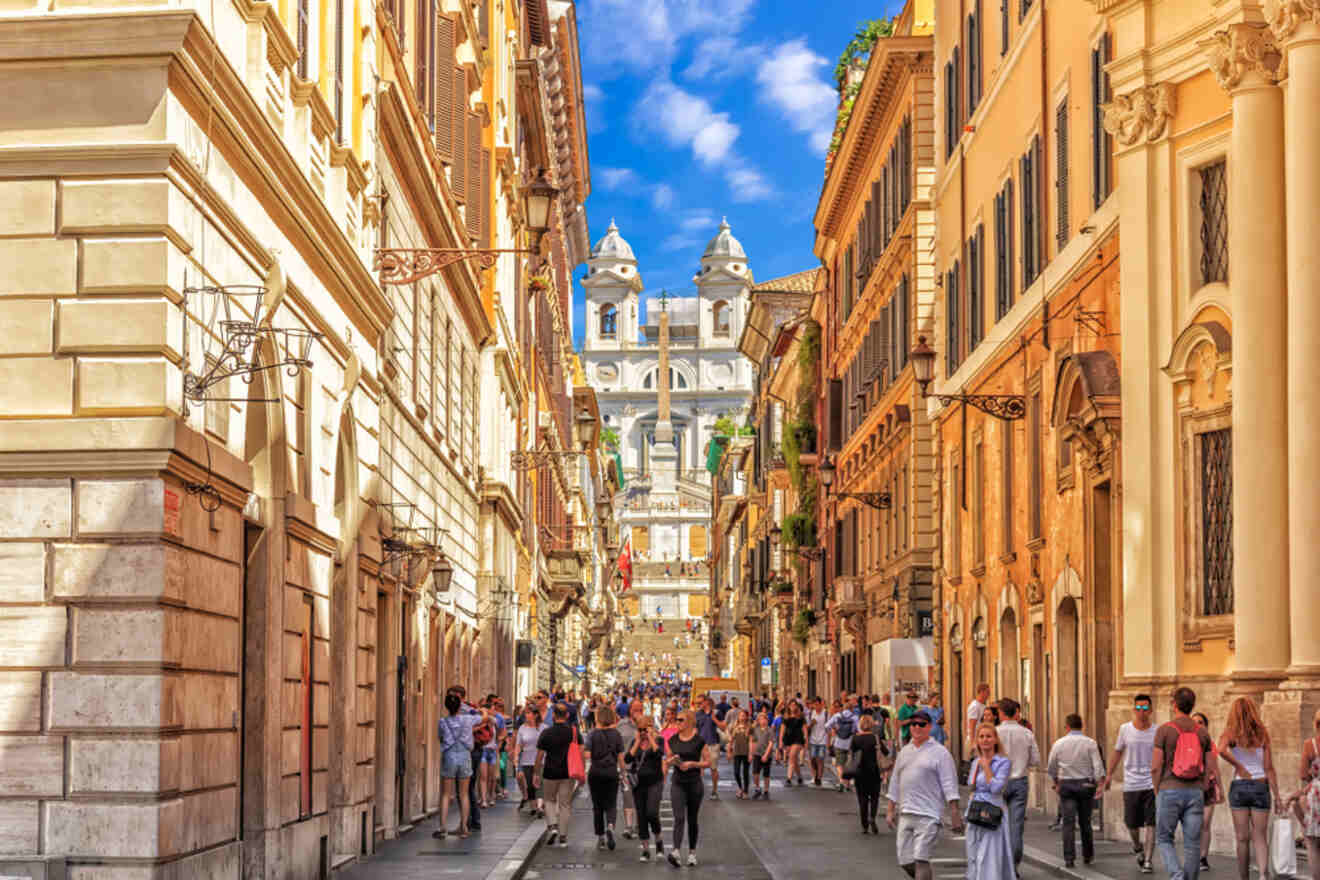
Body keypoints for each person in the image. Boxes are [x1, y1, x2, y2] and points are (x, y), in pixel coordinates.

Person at [886, 709, 964, 880]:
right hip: (906, 812)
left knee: (921, 859)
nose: (916, 727)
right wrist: (891, 809)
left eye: (921, 724)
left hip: (929, 814)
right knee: (905, 861)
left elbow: (949, 783)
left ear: (929, 727)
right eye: (913, 724)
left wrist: (955, 813)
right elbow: (895, 781)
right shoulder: (905, 751)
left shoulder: (941, 753)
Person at [1150, 686, 1215, 880]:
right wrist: (1203, 786)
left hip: (1169, 789)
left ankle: (1177, 876)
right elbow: (1209, 765)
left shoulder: (1164, 730)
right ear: (1192, 705)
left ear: (1174, 704)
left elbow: (1155, 766)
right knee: (1193, 842)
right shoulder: (1202, 733)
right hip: (1195, 792)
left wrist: (1156, 788)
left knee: (1163, 838)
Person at [1216, 696, 1280, 880]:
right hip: (1260, 785)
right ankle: (1262, 874)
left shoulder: (1230, 732)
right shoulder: (1262, 734)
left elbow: (1220, 750)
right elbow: (1269, 768)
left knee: (1242, 838)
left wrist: (1239, 766)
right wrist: (1277, 795)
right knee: (1260, 835)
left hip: (1240, 786)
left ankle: (1244, 877)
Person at [1105, 693, 1159, 873]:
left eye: (1145, 708)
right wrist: (1108, 775)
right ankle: (1137, 847)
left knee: (1152, 822)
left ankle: (1148, 861)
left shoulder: (1157, 730)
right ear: (1134, 709)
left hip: (1151, 784)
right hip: (1131, 784)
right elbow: (1117, 752)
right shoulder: (1125, 729)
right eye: (1138, 708)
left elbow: (1162, 757)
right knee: (1131, 824)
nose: (1141, 712)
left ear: (1150, 710)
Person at [1047, 713, 1106, 868]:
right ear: (1082, 726)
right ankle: (1088, 855)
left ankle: (1069, 858)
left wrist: (1055, 782)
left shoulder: (1059, 744)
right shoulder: (1090, 743)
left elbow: (1051, 766)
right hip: (1085, 785)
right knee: (1085, 822)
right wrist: (1100, 784)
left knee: (1068, 822)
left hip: (1066, 785)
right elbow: (1098, 766)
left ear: (1067, 727)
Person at [965, 721, 1015, 880]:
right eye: (981, 736)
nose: (985, 739)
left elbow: (996, 788)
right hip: (975, 812)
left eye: (988, 736)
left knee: (989, 858)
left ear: (995, 740)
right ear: (977, 740)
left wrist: (986, 767)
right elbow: (971, 786)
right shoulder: (975, 762)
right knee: (974, 855)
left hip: (993, 813)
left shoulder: (1003, 762)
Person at [996, 698, 1041, 872]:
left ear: (1001, 713)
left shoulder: (995, 732)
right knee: (1016, 824)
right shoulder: (1027, 733)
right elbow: (1035, 760)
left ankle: (1000, 862)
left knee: (997, 823)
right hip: (1019, 781)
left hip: (999, 782)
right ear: (1016, 713)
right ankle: (1014, 862)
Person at [664, 709, 711, 867]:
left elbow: (708, 762)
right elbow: (667, 759)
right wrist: (672, 761)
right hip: (677, 782)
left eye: (681, 720)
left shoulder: (699, 740)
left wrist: (692, 764)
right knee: (679, 817)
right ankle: (676, 851)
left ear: (690, 721)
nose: (677, 722)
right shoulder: (672, 740)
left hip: (694, 783)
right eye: (677, 720)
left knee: (692, 819)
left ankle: (692, 853)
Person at [436, 692, 482, 839]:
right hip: (464, 757)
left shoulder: (442, 722)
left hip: (449, 757)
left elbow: (440, 738)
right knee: (463, 794)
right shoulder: (468, 719)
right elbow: (485, 718)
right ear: (459, 707)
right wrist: (479, 710)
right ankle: (463, 827)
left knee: (445, 794)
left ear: (447, 706)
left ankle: (443, 827)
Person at [534, 702, 577, 848]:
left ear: (553, 716)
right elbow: (581, 753)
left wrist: (536, 773)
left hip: (550, 772)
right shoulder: (573, 732)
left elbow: (539, 755)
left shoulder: (546, 733)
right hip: (568, 772)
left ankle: (552, 826)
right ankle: (563, 836)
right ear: (567, 716)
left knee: (549, 800)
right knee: (565, 804)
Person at [584, 704, 625, 851]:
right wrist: (624, 775)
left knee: (597, 806)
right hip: (611, 772)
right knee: (611, 803)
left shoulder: (592, 734)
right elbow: (621, 757)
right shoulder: (616, 734)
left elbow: (587, 755)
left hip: (595, 773)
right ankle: (611, 827)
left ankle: (600, 837)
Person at [625, 716, 666, 861]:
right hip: (638, 784)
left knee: (652, 812)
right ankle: (646, 849)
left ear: (651, 727)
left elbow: (659, 754)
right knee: (641, 815)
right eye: (640, 729)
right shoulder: (635, 741)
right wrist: (637, 741)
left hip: (655, 782)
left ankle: (659, 838)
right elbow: (627, 759)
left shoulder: (659, 740)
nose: (642, 732)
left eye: (645, 729)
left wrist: (651, 738)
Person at [1285, 708, 1320, 880]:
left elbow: (1303, 775)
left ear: (1316, 723)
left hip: (1317, 794)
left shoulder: (1310, 745)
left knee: (1312, 843)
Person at [1193, 712, 1223, 872]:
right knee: (1193, 824)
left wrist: (1221, 789)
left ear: (1206, 725)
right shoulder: (1186, 742)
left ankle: (1203, 857)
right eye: (1195, 722)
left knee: (1205, 823)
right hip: (1191, 785)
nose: (1198, 725)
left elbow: (1215, 767)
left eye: (1201, 722)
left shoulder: (1210, 744)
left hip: (1209, 786)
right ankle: (1193, 855)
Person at [616, 699, 646, 840]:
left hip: (643, 767)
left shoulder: (647, 724)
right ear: (630, 710)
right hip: (626, 767)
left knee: (640, 798)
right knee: (627, 797)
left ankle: (640, 825)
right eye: (635, 709)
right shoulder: (622, 725)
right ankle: (628, 827)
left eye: (640, 709)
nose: (637, 712)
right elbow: (616, 744)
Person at [851, 713, 886, 834]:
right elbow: (885, 752)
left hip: (860, 772)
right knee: (875, 797)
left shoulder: (855, 738)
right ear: (871, 725)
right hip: (874, 772)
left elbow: (852, 755)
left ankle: (864, 825)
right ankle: (872, 817)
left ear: (860, 725)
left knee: (862, 799)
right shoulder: (875, 738)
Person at [513, 706, 545, 818]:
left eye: (528, 713)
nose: (526, 715)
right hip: (526, 760)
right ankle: (533, 807)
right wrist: (516, 756)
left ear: (535, 715)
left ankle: (540, 807)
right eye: (525, 713)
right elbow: (519, 744)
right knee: (530, 785)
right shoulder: (522, 728)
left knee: (539, 784)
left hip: (541, 760)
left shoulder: (543, 727)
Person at [694, 696, 724, 799]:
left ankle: (714, 791)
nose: (698, 705)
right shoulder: (698, 714)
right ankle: (697, 790)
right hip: (701, 745)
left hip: (713, 744)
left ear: (706, 702)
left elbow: (723, 727)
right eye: (697, 703)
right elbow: (696, 730)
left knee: (713, 768)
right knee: (698, 768)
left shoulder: (717, 712)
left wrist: (714, 719)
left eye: (700, 703)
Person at [827, 697, 859, 793]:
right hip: (850, 743)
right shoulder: (855, 717)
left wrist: (835, 729)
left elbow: (826, 726)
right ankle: (847, 784)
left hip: (839, 742)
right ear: (851, 709)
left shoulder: (837, 716)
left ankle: (841, 782)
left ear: (844, 708)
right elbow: (858, 730)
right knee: (848, 764)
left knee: (839, 764)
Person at [780, 700, 807, 786]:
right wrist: (781, 741)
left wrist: (806, 739)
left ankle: (789, 779)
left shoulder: (801, 717)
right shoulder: (785, 717)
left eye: (794, 705)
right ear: (788, 706)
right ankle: (799, 777)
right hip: (788, 740)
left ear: (797, 706)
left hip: (798, 739)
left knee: (791, 756)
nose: (792, 706)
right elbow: (782, 730)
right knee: (794, 760)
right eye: (791, 705)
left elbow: (805, 730)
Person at [751, 710, 775, 799]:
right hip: (757, 753)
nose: (763, 721)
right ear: (758, 721)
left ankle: (766, 790)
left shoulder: (770, 730)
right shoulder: (755, 730)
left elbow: (771, 743)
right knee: (755, 773)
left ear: (767, 720)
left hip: (766, 754)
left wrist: (766, 755)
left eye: (764, 719)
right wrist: (751, 753)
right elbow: (753, 741)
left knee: (766, 773)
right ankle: (757, 788)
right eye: (761, 719)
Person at [808, 697, 831, 786]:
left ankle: (819, 778)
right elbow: (806, 727)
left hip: (823, 740)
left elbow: (828, 727)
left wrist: (828, 741)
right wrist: (811, 724)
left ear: (821, 704)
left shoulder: (825, 713)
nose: (817, 706)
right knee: (813, 759)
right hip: (813, 740)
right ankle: (815, 773)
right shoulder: (811, 713)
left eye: (818, 704)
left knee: (820, 759)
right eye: (815, 705)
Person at [730, 709, 752, 799]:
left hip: (746, 752)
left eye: (743, 715)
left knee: (745, 772)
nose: (742, 717)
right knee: (736, 772)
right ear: (738, 717)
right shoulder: (735, 726)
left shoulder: (749, 727)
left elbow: (751, 741)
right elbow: (731, 739)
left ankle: (746, 791)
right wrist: (729, 750)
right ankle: (740, 788)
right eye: (740, 715)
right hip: (737, 751)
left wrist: (751, 753)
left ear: (746, 717)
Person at [967, 683, 991, 757]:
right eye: (988, 692)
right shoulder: (974, 706)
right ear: (981, 692)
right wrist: (972, 743)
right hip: (975, 739)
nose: (988, 695)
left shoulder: (983, 706)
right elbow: (972, 725)